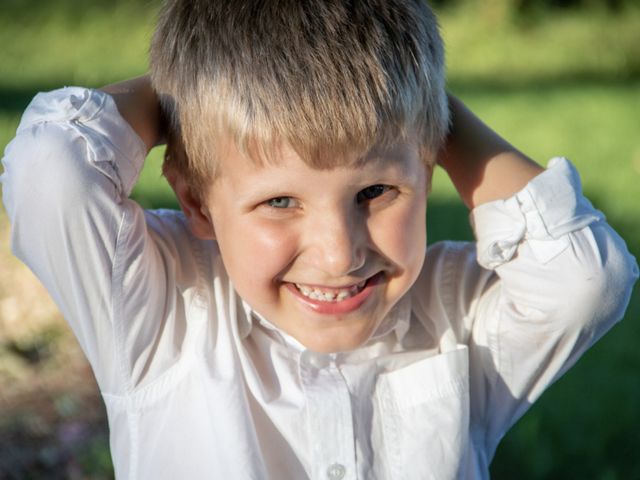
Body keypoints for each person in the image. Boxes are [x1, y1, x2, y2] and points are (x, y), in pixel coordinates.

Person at [1, 0, 637, 478]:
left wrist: (428, 109)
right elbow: (51, 169)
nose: (340, 254)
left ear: (431, 165)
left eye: (375, 193)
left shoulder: (457, 319)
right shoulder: (160, 312)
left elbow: (586, 281)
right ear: (195, 198)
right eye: (280, 201)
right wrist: (185, 99)